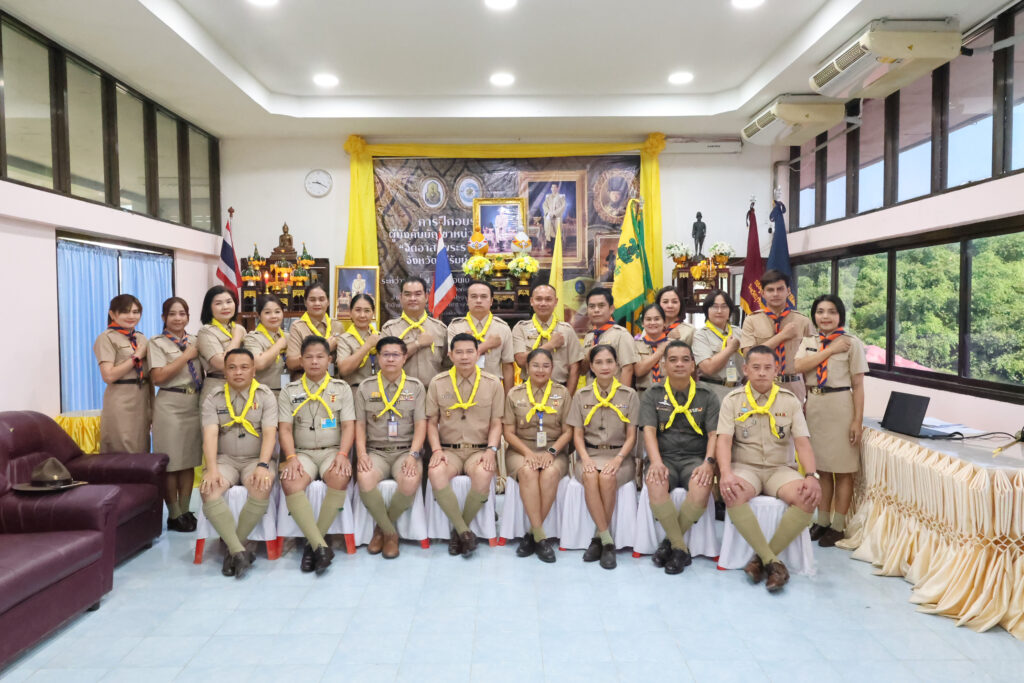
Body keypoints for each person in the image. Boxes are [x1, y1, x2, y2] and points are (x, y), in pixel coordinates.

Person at [716, 345, 822, 592]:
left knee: (807, 497)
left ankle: (762, 560)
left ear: (777, 370)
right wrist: (726, 473)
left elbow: (802, 442)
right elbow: (724, 441)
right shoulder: (733, 400)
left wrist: (811, 475)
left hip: (779, 469)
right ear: (745, 370)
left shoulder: (789, 401)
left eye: (767, 367)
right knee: (733, 492)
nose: (762, 372)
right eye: (756, 367)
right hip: (745, 467)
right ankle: (773, 562)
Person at [793, 295, 867, 548]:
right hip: (815, 406)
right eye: (820, 311)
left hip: (840, 406)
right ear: (814, 315)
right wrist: (831, 350)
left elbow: (858, 385)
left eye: (832, 312)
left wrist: (857, 421)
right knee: (822, 469)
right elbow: (798, 366)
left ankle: (838, 526)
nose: (825, 316)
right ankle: (822, 521)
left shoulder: (852, 343)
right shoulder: (809, 341)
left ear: (840, 316)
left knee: (843, 470)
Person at [639, 341, 719, 575]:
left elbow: (714, 435)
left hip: (696, 458)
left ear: (693, 365)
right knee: (656, 483)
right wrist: (655, 462)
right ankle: (680, 549)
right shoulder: (653, 394)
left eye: (685, 359)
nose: (679, 364)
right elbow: (649, 432)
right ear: (663, 366)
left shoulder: (707, 395)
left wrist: (708, 463)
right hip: (663, 456)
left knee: (702, 488)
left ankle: (669, 543)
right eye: (672, 360)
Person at [277, 337, 355, 574]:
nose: (314, 362)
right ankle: (320, 546)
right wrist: (291, 458)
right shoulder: (289, 391)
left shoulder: (341, 389)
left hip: (332, 451)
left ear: (329, 360)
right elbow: (285, 429)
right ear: (300, 361)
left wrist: (343, 454)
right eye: (309, 357)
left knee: (339, 477)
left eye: (320, 357)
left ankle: (313, 545)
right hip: (302, 453)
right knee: (290, 482)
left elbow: (349, 426)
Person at [199, 348, 278, 579]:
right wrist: (212, 469)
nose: (238, 372)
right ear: (225, 372)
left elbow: (270, 434)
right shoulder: (214, 398)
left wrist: (263, 465)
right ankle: (239, 551)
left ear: (253, 371)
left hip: (256, 459)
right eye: (232, 368)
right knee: (208, 489)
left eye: (244, 367)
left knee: (261, 485)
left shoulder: (265, 396)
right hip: (225, 459)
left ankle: (234, 549)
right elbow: (210, 435)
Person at [425, 333, 504, 558]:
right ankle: (464, 532)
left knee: (484, 473)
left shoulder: (492, 383)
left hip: (479, 449)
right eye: (458, 352)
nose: (464, 357)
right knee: (435, 472)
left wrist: (491, 450)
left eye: (470, 351)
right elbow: (431, 422)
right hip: (449, 450)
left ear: (478, 354)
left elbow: (497, 423)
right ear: (450, 355)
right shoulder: (438, 383)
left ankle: (459, 532)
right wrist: (436, 450)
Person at [353, 336, 427, 559]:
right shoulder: (366, 387)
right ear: (378, 358)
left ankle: (381, 529)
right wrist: (362, 454)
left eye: (396, 355)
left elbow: (421, 425)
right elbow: (360, 425)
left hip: (405, 450)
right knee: (364, 477)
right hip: (376, 451)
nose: (391, 359)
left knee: (410, 479)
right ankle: (391, 533)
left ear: (404, 358)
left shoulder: (415, 387)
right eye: (386, 354)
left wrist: (413, 455)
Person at [567, 344, 639, 569]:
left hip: (620, 456)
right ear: (591, 366)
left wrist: (618, 459)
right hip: (589, 454)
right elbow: (577, 434)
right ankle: (608, 541)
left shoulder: (629, 395)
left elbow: (632, 436)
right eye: (598, 362)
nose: (604, 366)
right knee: (590, 476)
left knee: (607, 477)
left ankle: (598, 539)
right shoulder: (581, 395)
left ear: (617, 365)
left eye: (609, 361)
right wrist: (585, 458)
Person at [502, 348, 573, 563]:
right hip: (521, 449)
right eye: (535, 365)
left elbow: (568, 431)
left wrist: (552, 452)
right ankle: (541, 538)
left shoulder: (562, 393)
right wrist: (528, 453)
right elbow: (508, 432)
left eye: (545, 366)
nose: (540, 370)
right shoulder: (515, 393)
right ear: (527, 367)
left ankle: (532, 534)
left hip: (554, 449)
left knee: (549, 473)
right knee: (528, 471)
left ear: (552, 368)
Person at [149, 297, 204, 532]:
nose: (178, 318)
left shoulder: (196, 341)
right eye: (172, 314)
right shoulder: (157, 343)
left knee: (188, 461)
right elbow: (158, 377)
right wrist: (184, 357)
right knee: (171, 463)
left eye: (182, 314)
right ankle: (173, 514)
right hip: (169, 405)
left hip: (194, 403)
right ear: (164, 317)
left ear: (188, 317)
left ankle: (185, 510)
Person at [740, 270, 814, 403]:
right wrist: (782, 336)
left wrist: (810, 397)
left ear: (788, 291)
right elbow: (749, 355)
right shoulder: (751, 320)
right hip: (761, 386)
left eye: (780, 289)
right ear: (762, 293)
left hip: (794, 386)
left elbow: (812, 362)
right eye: (770, 290)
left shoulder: (803, 321)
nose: (775, 294)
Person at [94, 294, 152, 454]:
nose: (131, 316)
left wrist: (152, 408)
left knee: (142, 449)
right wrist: (136, 356)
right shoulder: (106, 338)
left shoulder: (141, 338)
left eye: (136, 312)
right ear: (112, 314)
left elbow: (148, 375)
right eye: (126, 312)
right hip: (120, 400)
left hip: (142, 400)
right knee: (122, 451)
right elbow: (108, 376)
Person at [512, 283, 583, 395]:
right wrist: (550, 345)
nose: (543, 303)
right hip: (528, 391)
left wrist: (568, 397)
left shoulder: (566, 330)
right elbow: (520, 360)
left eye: (548, 299)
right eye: (539, 299)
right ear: (532, 301)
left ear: (556, 302)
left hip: (560, 390)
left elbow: (575, 367)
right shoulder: (521, 328)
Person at [381, 276, 449, 388]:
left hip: (432, 391)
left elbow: (448, 364)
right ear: (400, 297)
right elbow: (386, 362)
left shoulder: (440, 329)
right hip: (400, 391)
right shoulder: (389, 329)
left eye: (418, 294)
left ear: (426, 297)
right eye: (408, 294)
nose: (413, 298)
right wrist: (418, 344)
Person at [447, 281, 514, 393]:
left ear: (491, 301)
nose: (478, 300)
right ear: (467, 300)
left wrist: (508, 398)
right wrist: (487, 345)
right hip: (461, 389)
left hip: (492, 390)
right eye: (474, 296)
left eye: (483, 296)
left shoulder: (502, 328)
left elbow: (507, 366)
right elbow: (453, 358)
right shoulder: (455, 327)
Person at [196, 285, 246, 408]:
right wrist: (236, 338)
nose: (225, 307)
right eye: (218, 303)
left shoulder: (238, 328)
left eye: (229, 302)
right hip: (217, 388)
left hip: (242, 388)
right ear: (209, 307)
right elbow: (220, 363)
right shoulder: (206, 331)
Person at [692, 289, 745, 401]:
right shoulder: (701, 335)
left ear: (730, 310)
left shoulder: (739, 332)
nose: (719, 311)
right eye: (714, 307)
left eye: (724, 307)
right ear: (707, 310)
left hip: (739, 391)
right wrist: (730, 349)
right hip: (712, 392)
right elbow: (708, 368)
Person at [581, 287, 639, 386]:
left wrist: (622, 394)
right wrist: (588, 356)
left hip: (613, 393)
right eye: (592, 306)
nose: (596, 310)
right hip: (591, 393)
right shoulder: (589, 336)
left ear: (611, 309)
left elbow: (627, 370)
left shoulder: (621, 334)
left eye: (601, 306)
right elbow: (582, 371)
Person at [286, 283, 340, 374]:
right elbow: (291, 363)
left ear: (328, 302)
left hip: (332, 380)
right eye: (312, 300)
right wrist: (326, 348)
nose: (317, 303)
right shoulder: (298, 327)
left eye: (321, 299)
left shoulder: (337, 325)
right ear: (305, 303)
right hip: (305, 380)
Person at [243, 295, 287, 393]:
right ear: (259, 315)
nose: (273, 316)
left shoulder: (288, 336)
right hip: (263, 393)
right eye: (267, 312)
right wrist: (279, 345)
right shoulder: (252, 338)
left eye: (277, 312)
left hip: (287, 393)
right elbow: (259, 363)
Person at [336, 293, 380, 386]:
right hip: (354, 389)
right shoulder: (344, 339)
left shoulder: (380, 337)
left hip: (379, 390)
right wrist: (367, 346)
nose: (362, 315)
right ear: (350, 313)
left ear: (373, 313)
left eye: (367, 311)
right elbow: (343, 370)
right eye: (358, 310)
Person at [634, 303, 669, 392]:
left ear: (664, 322)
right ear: (642, 323)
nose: (652, 323)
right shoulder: (635, 345)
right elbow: (638, 371)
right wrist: (659, 352)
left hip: (669, 394)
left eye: (657, 319)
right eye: (648, 319)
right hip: (643, 394)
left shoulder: (673, 345)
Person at [542, 183, 566, 253]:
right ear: (551, 188)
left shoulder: (561, 197)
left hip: (557, 218)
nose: (553, 189)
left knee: (557, 233)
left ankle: (557, 251)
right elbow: (544, 205)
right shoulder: (548, 197)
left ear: (557, 188)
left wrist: (554, 213)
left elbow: (563, 207)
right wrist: (548, 213)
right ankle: (552, 249)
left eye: (555, 187)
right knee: (550, 233)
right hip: (549, 218)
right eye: (552, 187)